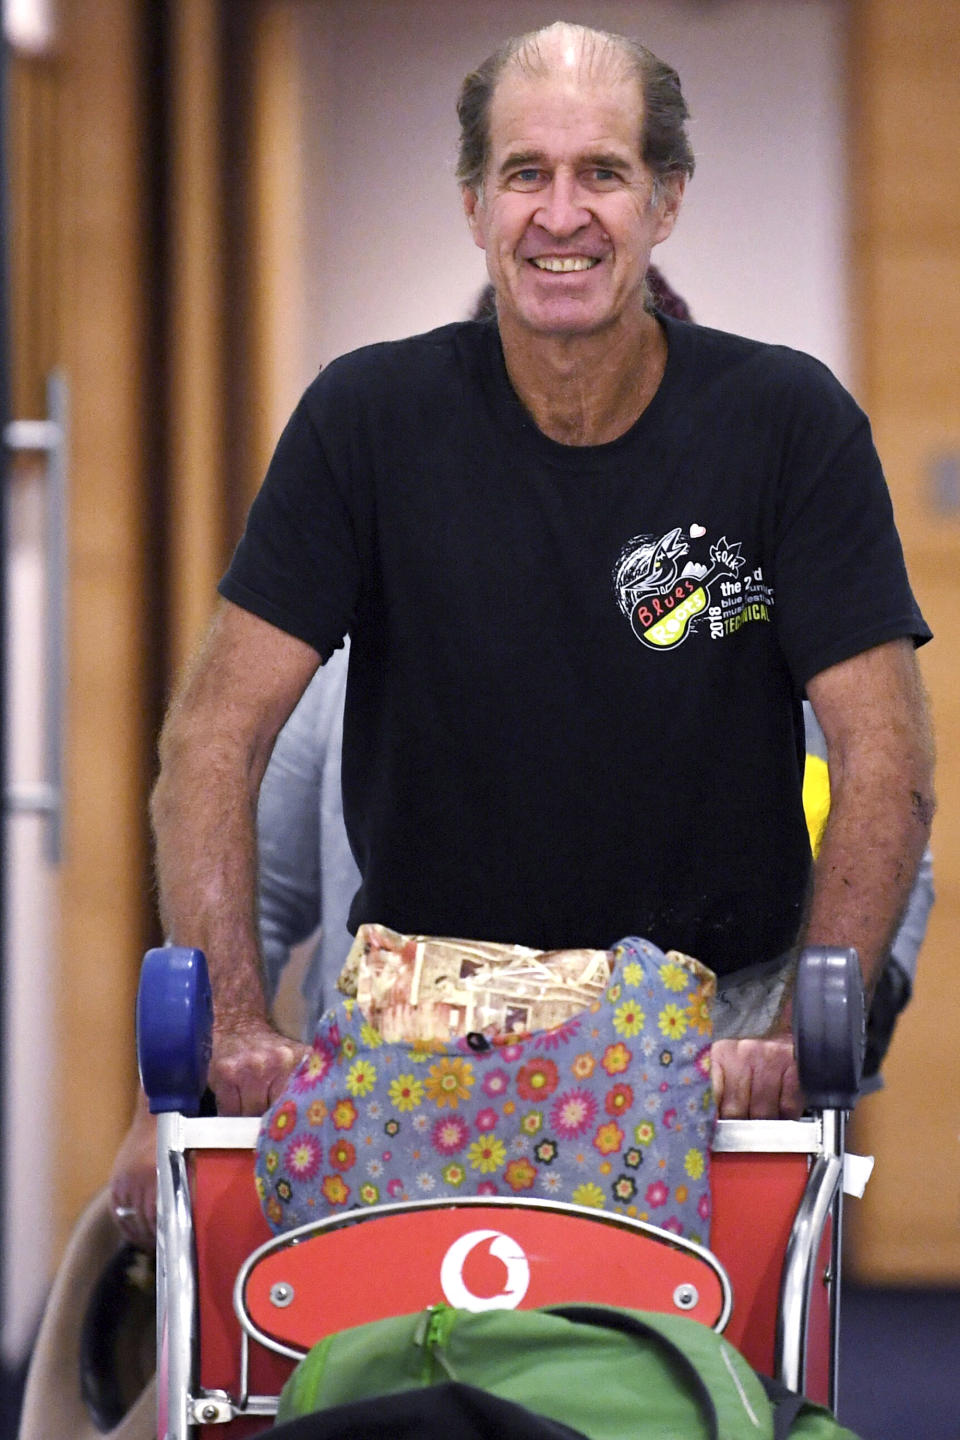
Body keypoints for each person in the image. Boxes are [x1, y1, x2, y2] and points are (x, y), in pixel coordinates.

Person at [149, 20, 934, 1128]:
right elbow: (210, 737)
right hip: (419, 1039)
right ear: (475, 203)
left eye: (602, 174)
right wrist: (230, 1021)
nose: (561, 214)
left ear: (664, 203)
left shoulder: (790, 425)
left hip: (710, 1046)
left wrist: (796, 1034)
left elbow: (884, 750)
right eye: (526, 173)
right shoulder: (365, 421)